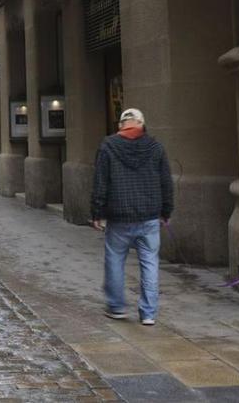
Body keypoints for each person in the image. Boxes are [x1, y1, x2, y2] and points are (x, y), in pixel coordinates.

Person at [90, 108, 174, 327]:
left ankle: (116, 307)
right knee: (149, 263)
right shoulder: (156, 147)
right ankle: (148, 312)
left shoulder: (108, 146)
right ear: (142, 125)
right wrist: (166, 211)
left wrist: (97, 212)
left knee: (115, 261)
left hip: (119, 216)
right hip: (148, 216)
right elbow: (166, 182)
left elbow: (100, 182)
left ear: (121, 126)